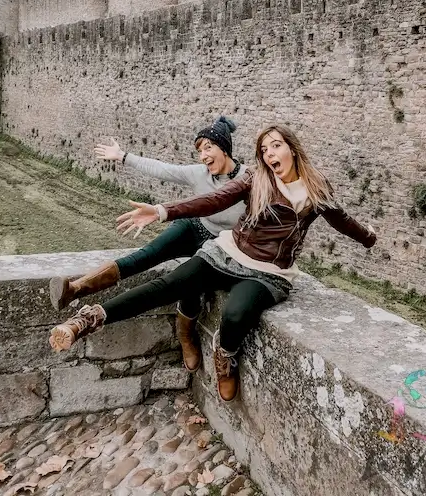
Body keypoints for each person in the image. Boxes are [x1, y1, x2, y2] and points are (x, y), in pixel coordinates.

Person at [49, 125, 377, 403]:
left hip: (270, 272)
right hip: (227, 253)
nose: (270, 154)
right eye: (264, 150)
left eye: (276, 146)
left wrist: (368, 237)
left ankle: (225, 356)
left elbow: (343, 221)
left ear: (292, 149)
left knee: (236, 314)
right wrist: (163, 210)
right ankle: (86, 320)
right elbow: (215, 199)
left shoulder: (316, 188)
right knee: (166, 286)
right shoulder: (255, 178)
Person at [49, 115, 247, 373]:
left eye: (208, 148)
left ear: (224, 147)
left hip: (221, 246)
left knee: (187, 287)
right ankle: (75, 289)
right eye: (199, 150)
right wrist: (122, 156)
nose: (202, 156)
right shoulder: (198, 173)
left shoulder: (248, 179)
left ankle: (186, 336)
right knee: (148, 254)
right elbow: (163, 169)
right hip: (194, 227)